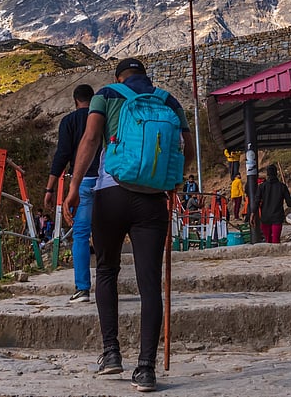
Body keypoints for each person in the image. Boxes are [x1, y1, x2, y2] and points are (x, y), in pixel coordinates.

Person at [64, 58, 192, 392]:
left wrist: (74, 187)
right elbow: (187, 149)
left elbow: (91, 139)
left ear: (119, 76)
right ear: (145, 76)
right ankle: (146, 369)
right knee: (150, 283)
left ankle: (111, 353)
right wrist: (173, 182)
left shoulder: (106, 95)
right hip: (152, 200)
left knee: (107, 270)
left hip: (111, 194)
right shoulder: (168, 100)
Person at [44, 83, 97, 303]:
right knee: (107, 234)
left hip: (81, 182)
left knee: (81, 235)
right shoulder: (102, 117)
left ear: (75, 101)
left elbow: (62, 155)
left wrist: (50, 188)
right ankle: (107, 285)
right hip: (107, 181)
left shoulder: (69, 121)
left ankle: (82, 289)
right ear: (93, 99)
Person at [255, 164, 291, 243]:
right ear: (276, 173)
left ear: (267, 174)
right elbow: (290, 204)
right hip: (277, 217)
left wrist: (253, 214)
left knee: (268, 240)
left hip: (265, 217)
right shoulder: (282, 186)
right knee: (276, 240)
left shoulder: (262, 186)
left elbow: (256, 201)